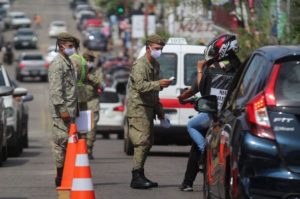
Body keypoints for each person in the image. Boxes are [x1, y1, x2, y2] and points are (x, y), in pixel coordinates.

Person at [178, 34, 241, 191]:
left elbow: (200, 89)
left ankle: (188, 182)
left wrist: (200, 70)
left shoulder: (211, 69)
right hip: (230, 117)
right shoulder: (241, 69)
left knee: (194, 134)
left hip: (212, 115)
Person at [126, 34, 173, 189]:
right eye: (156, 49)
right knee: (142, 142)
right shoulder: (140, 65)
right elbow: (140, 86)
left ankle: (140, 173)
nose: (159, 51)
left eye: (161, 49)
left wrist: (160, 110)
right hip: (138, 108)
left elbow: (154, 92)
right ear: (148, 48)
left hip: (149, 108)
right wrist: (159, 84)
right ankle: (136, 177)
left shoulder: (155, 65)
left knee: (148, 142)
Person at [48, 32, 78, 187]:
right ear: (61, 47)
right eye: (70, 46)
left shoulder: (68, 62)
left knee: (69, 144)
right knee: (61, 144)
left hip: (70, 111)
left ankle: (67, 173)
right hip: (62, 113)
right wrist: (62, 109)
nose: (72, 49)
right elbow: (55, 90)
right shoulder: (58, 64)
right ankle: (60, 177)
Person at [83, 50, 104, 160]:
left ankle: (89, 148)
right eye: (86, 60)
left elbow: (101, 83)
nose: (88, 62)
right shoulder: (79, 71)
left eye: (90, 61)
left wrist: (90, 77)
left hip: (92, 101)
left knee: (92, 127)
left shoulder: (97, 71)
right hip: (80, 102)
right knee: (80, 127)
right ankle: (79, 148)